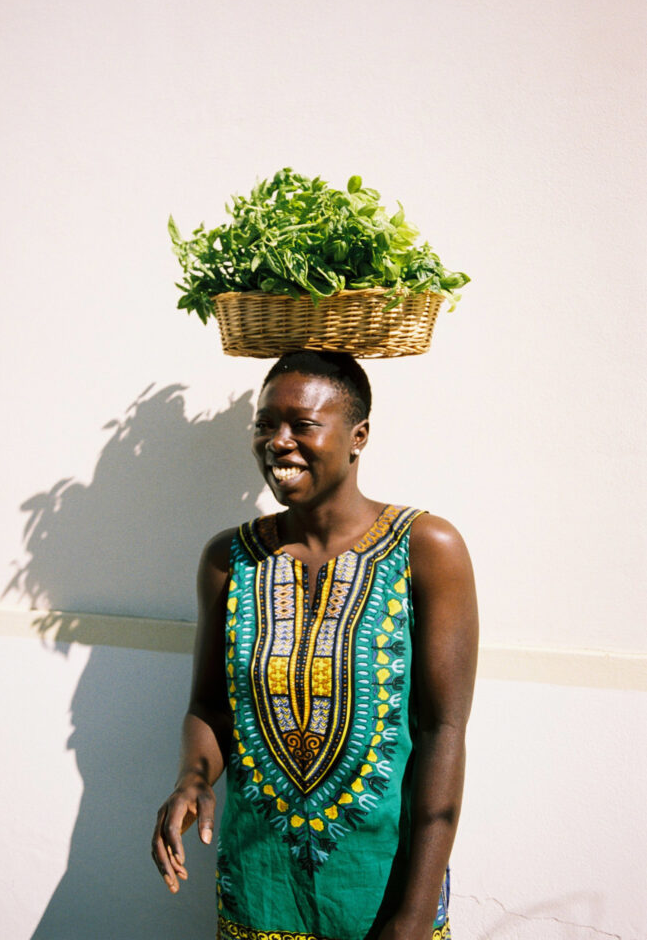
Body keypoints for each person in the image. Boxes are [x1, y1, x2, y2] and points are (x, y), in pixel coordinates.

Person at [152, 350, 478, 940]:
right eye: (264, 424)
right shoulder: (229, 558)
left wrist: (412, 915)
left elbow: (443, 732)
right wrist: (192, 778)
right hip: (258, 889)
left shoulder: (427, 548)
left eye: (302, 424)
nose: (277, 441)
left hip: (383, 892)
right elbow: (210, 705)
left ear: (358, 437)